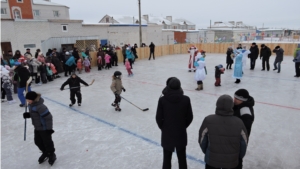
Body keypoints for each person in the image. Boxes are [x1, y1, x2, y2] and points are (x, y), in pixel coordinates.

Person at [199, 94, 248, 169]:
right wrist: (238, 157)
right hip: (232, 162)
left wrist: (208, 152)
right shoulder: (239, 122)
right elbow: (244, 143)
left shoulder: (208, 120)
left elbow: (202, 140)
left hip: (212, 161)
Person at [156, 77, 193, 169]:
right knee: (182, 158)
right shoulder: (186, 99)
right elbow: (189, 117)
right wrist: (182, 126)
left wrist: (164, 127)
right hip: (181, 133)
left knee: (167, 158)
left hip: (167, 133)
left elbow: (158, 118)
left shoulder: (162, 100)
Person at [23, 91, 56, 165]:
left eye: (29, 100)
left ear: (33, 99)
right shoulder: (31, 105)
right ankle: (45, 152)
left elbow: (48, 117)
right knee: (37, 141)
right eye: (27, 100)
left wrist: (49, 129)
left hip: (44, 128)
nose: (27, 101)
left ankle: (51, 154)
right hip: (37, 127)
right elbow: (34, 114)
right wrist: (28, 115)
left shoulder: (40, 107)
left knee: (47, 142)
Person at [233, 89, 255, 168]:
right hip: (232, 141)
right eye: (234, 97)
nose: (234, 100)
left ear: (243, 100)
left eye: (237, 99)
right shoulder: (238, 105)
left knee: (236, 162)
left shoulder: (245, 113)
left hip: (237, 143)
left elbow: (245, 132)